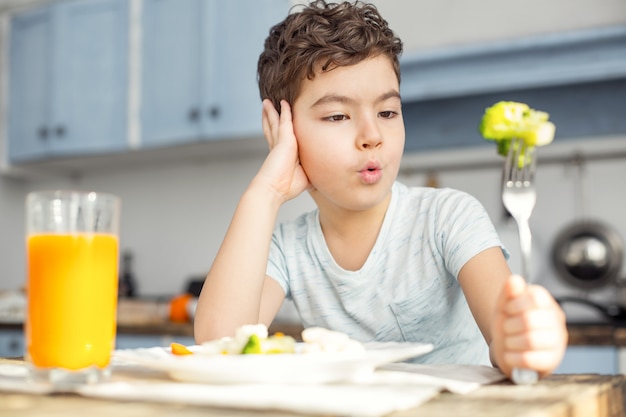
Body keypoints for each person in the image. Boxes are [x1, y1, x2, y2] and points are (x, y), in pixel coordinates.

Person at [194, 0, 568, 379]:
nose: (372, 136)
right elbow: (218, 345)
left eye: (387, 112)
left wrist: (526, 340)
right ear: (280, 127)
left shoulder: (449, 218)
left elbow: (505, 337)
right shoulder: (286, 249)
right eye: (338, 116)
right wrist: (265, 193)